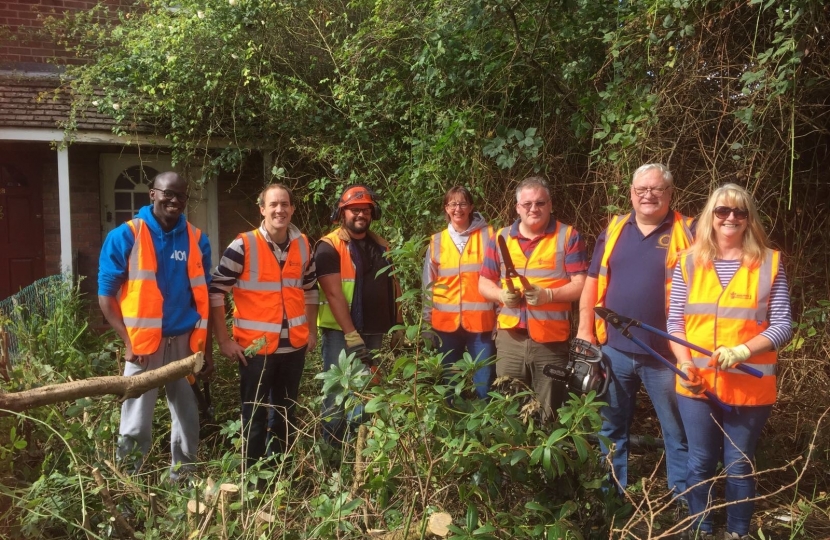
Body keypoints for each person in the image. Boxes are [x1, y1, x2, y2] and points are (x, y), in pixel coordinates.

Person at [667, 183, 792, 539]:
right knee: (700, 461)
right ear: (710, 216)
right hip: (696, 384)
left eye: (739, 211)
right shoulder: (688, 262)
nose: (731, 218)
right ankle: (700, 530)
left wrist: (743, 351)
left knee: (738, 465)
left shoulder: (769, 263)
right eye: (723, 211)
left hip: (749, 386)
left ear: (749, 219)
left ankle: (738, 532)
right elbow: (675, 322)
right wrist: (685, 364)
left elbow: (783, 324)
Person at [576, 163, 693, 499]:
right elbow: (592, 283)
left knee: (676, 431)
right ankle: (610, 497)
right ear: (631, 193)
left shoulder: (690, 231)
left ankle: (683, 501)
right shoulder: (613, 229)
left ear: (670, 193)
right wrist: (585, 329)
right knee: (611, 427)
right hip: (614, 351)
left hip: (667, 355)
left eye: (656, 189)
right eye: (641, 189)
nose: (648, 195)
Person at [98, 171, 212, 481]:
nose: (174, 200)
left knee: (188, 420)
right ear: (152, 194)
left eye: (181, 196)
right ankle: (127, 489)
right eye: (167, 194)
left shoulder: (197, 239)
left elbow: (204, 298)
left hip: (187, 344)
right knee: (136, 424)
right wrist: (127, 341)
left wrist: (206, 351)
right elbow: (105, 297)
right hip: (143, 348)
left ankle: (185, 483)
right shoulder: (125, 236)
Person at [209, 184, 318, 466]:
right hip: (254, 350)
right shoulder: (243, 245)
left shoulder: (303, 244)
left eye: (285, 204)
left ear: (292, 209)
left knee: (285, 413)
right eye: (273, 205)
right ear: (262, 209)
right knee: (254, 415)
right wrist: (223, 340)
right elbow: (215, 291)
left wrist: (311, 332)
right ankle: (251, 480)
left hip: (293, 347)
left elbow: (310, 290)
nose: (279, 210)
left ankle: (280, 475)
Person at [478, 176, 588, 419]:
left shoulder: (568, 236)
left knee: (548, 410)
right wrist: (500, 295)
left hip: (550, 340)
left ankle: (544, 456)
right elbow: (483, 282)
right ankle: (512, 455)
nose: (533, 209)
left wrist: (550, 295)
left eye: (540, 203)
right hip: (510, 340)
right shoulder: (501, 238)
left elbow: (582, 285)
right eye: (527, 204)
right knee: (509, 406)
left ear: (550, 205)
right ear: (517, 207)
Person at [315, 184, 400, 444]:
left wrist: (398, 326)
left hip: (374, 331)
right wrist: (351, 334)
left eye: (365, 210)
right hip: (341, 333)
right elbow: (334, 294)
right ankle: (331, 450)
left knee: (365, 391)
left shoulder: (382, 246)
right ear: (342, 213)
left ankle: (357, 450)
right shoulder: (328, 247)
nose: (360, 215)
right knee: (336, 391)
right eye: (354, 210)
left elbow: (394, 287)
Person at [422, 186, 497, 399]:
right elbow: (428, 285)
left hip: (481, 324)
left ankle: (484, 426)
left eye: (463, 203)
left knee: (485, 382)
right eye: (452, 204)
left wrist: (501, 317)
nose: (458, 209)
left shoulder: (489, 236)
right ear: (446, 208)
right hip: (445, 325)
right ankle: (450, 427)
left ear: (471, 207)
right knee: (448, 382)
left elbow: (499, 278)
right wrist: (427, 323)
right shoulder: (436, 241)